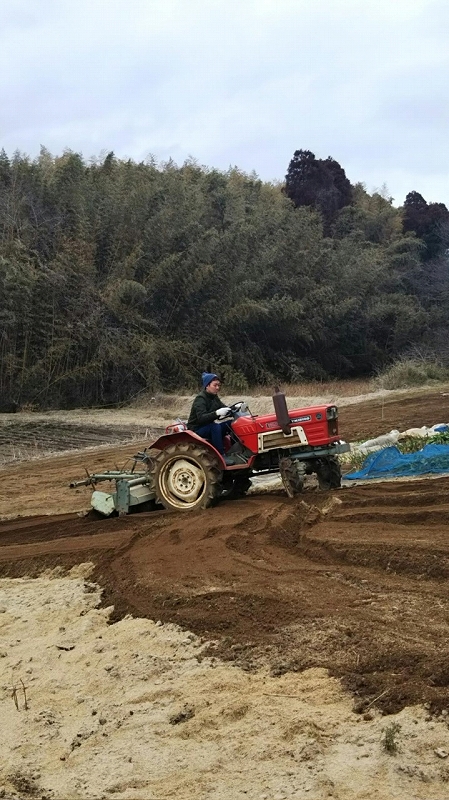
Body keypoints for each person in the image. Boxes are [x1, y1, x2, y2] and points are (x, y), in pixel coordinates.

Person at [187, 372, 233, 457]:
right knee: (215, 427)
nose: (217, 388)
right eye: (215, 385)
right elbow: (201, 418)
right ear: (207, 386)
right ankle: (221, 455)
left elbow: (223, 407)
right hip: (197, 429)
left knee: (231, 424)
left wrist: (233, 409)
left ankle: (235, 451)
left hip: (208, 426)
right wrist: (217, 413)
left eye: (218, 385)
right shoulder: (200, 399)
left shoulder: (214, 397)